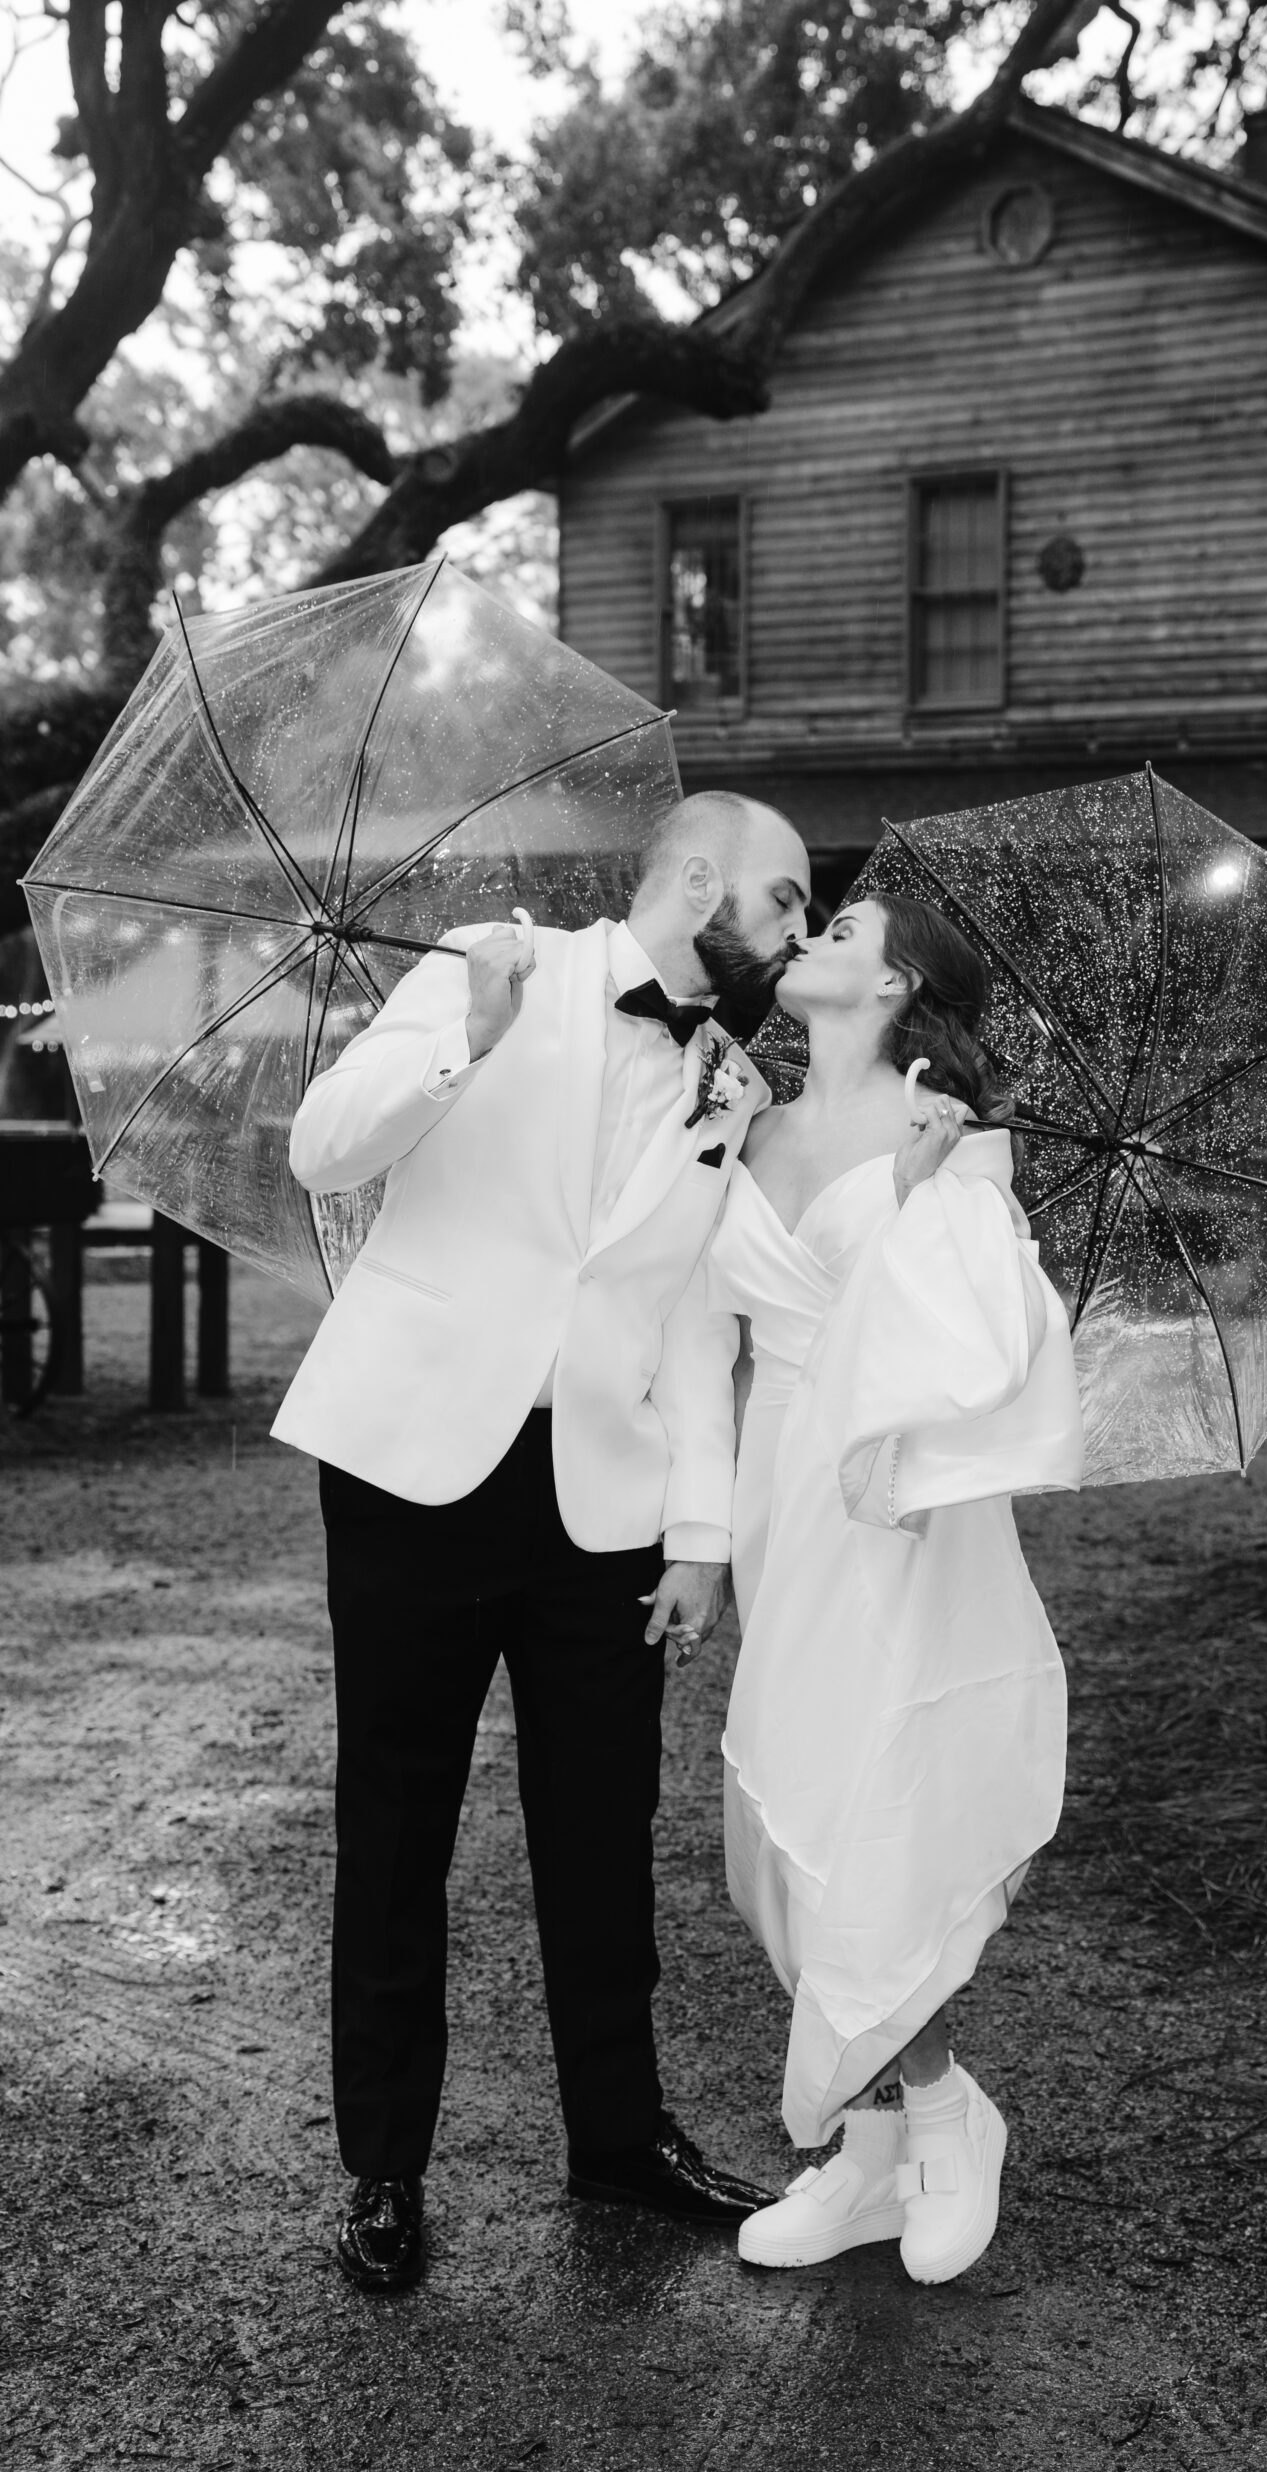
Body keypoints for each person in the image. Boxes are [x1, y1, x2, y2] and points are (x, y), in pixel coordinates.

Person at [271, 791, 811, 2295]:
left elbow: (695, 1326)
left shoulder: (730, 1087)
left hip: (604, 1507)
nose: (801, 930)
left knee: (602, 1828)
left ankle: (620, 2139)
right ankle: (385, 2166)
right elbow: (322, 1150)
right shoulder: (485, 965)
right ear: (695, 879)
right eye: (784, 898)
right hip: (414, 1470)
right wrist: (467, 1039)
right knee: (398, 1824)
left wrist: (699, 1534)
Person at [707, 893, 1083, 2286]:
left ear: (896, 981)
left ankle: (938, 2124)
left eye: (847, 923)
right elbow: (705, 1332)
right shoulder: (748, 1122)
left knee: (873, 1804)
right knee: (788, 1812)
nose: (812, 927)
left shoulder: (944, 1129)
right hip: (775, 1493)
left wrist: (932, 1201)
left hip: (893, 1507)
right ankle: (869, 2148)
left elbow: (1002, 1335)